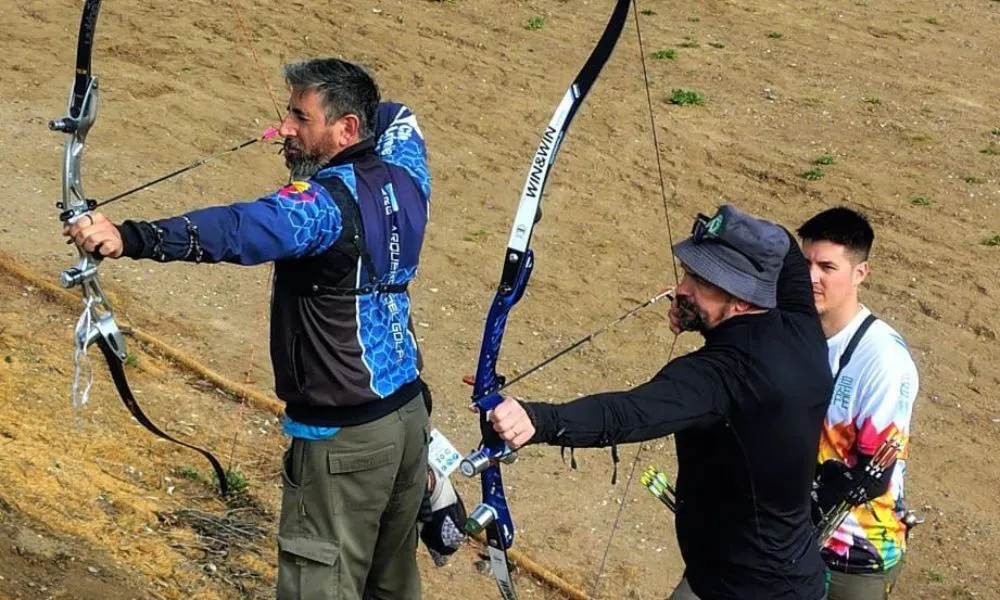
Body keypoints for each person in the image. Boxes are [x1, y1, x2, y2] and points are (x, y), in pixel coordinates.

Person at [64, 57, 462, 600]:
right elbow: (397, 115)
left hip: (343, 443)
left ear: (347, 129)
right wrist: (341, 110)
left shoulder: (323, 207)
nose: (284, 129)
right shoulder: (406, 173)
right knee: (390, 587)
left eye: (301, 117)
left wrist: (130, 237)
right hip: (407, 422)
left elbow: (239, 229)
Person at [485, 204, 833, 599]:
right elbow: (782, 243)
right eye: (688, 273)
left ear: (741, 301)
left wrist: (536, 419)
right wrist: (715, 266)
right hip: (787, 574)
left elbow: (626, 414)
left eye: (701, 282)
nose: (681, 289)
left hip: (745, 590)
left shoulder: (717, 377)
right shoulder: (801, 326)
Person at [798, 207, 919, 599]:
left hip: (853, 555)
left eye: (827, 267)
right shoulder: (794, 329)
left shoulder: (883, 359)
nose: (811, 277)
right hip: (790, 540)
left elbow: (873, 474)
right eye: (806, 263)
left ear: (860, 273)